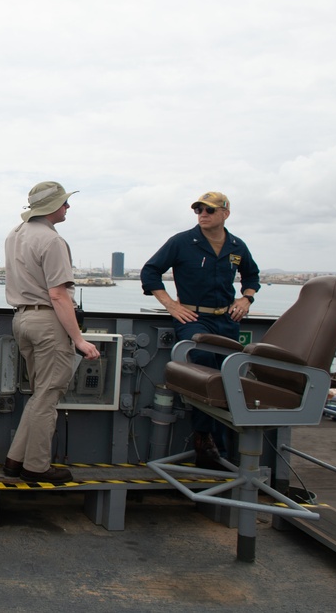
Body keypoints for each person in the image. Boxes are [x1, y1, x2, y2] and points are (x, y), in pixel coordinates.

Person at [140, 191, 260, 468]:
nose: (202, 215)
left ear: (225, 214)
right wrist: (171, 305)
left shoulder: (236, 246)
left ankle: (218, 446)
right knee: (205, 367)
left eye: (209, 210)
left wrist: (246, 298)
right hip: (193, 318)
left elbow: (252, 275)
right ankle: (204, 439)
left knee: (229, 377)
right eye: (198, 210)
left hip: (226, 320)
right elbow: (150, 272)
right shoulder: (182, 242)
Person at [2, 181, 101, 483]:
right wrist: (79, 339)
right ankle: (36, 466)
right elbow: (58, 295)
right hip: (47, 323)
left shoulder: (15, 235)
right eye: (64, 203)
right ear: (52, 207)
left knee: (39, 395)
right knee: (48, 399)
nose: (68, 207)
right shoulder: (52, 241)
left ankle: (15, 461)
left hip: (22, 320)